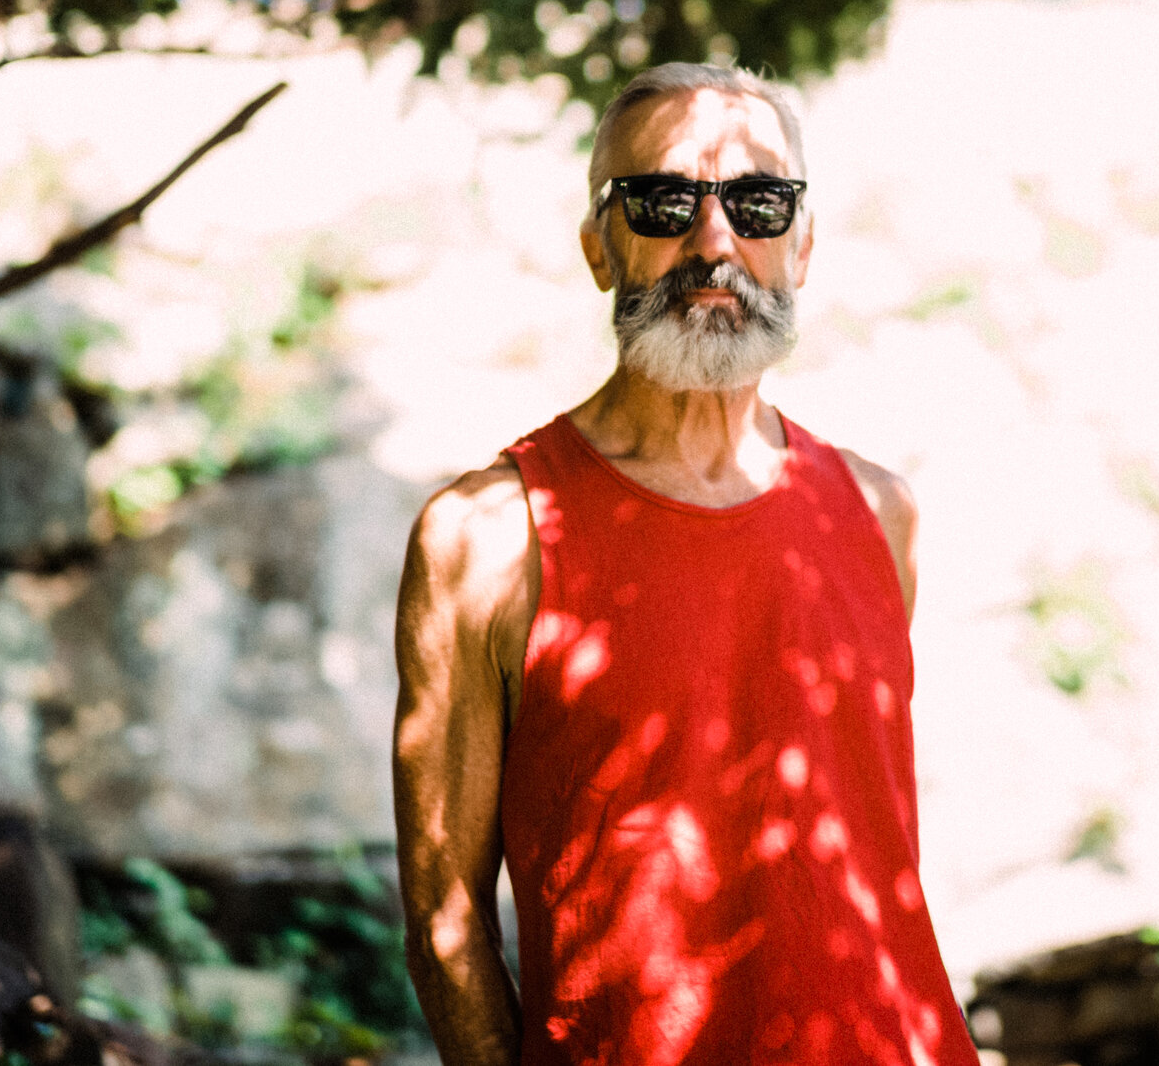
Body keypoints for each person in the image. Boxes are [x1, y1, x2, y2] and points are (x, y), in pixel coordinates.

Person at [393, 63, 979, 1066]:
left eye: (757, 203)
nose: (715, 242)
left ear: (800, 245)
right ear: (598, 245)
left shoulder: (883, 514)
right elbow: (446, 923)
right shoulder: (483, 536)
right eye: (664, 200)